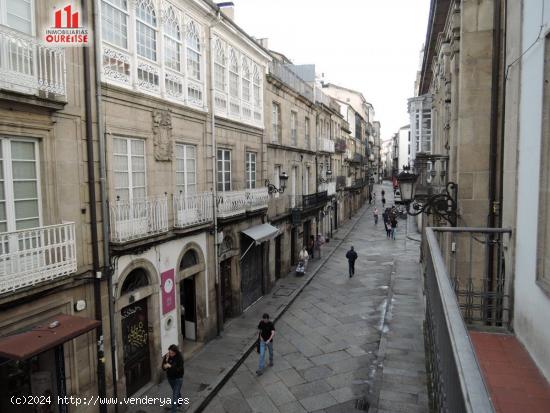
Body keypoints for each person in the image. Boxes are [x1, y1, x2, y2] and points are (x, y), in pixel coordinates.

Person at [162, 344, 184, 412]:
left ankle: (173, 410)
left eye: (171, 353)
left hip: (178, 379)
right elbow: (163, 367)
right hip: (170, 378)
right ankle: (180, 404)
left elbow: (179, 370)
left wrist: (170, 366)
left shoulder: (179, 357)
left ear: (175, 352)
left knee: (175, 397)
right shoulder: (167, 356)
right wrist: (165, 363)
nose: (170, 354)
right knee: (176, 392)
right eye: (169, 352)